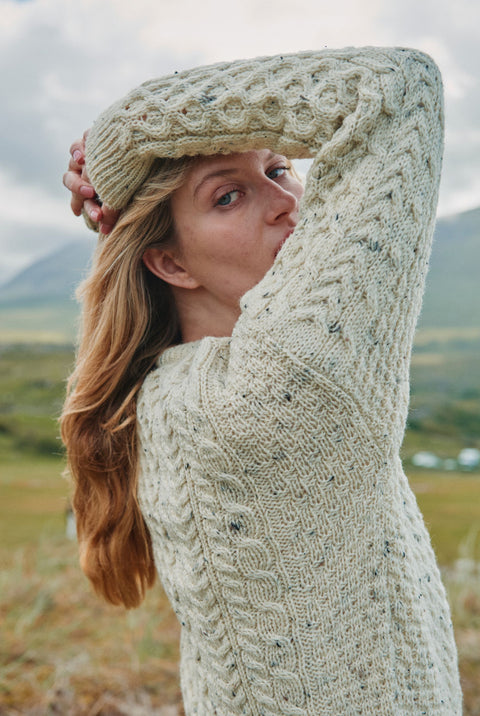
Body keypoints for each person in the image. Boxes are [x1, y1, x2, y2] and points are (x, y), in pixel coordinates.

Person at [61, 48, 463, 714]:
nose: (286, 202)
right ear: (170, 263)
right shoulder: (280, 381)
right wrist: (128, 131)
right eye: (228, 195)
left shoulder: (165, 392)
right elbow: (397, 87)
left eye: (279, 168)